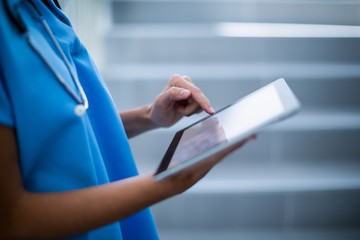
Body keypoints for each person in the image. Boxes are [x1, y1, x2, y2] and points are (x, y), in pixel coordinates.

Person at [0, 0, 253, 239]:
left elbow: (61, 129)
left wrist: (149, 116)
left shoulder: (45, 9)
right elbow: (11, 221)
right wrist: (167, 182)